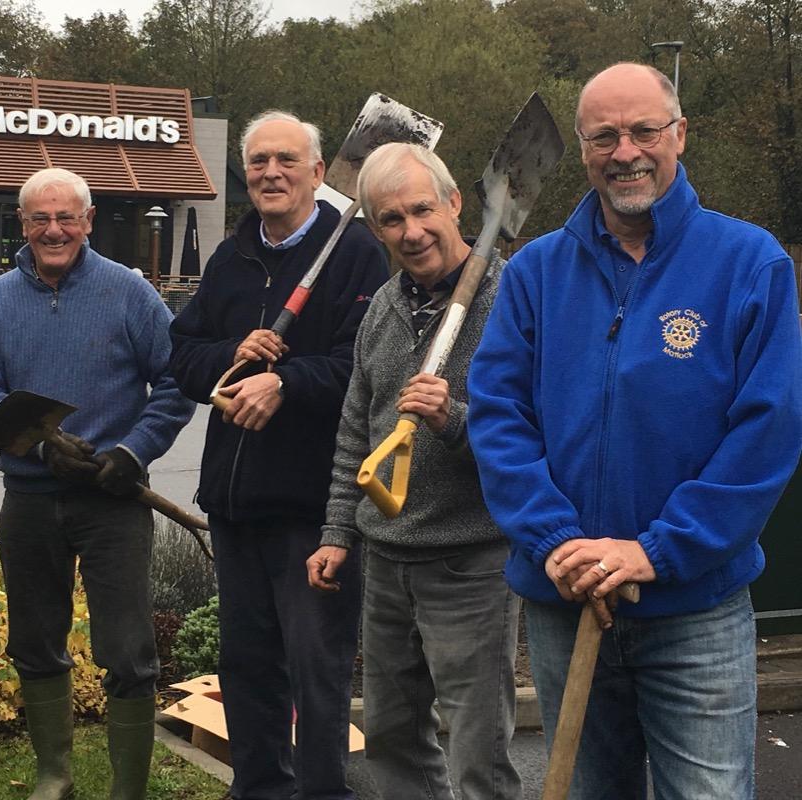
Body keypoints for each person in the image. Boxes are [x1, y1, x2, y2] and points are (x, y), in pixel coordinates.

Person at [467, 63, 802, 799]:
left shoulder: (750, 263)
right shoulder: (536, 274)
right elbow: (497, 416)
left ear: (679, 134)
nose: (626, 152)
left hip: (695, 612)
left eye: (644, 130)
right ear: (582, 148)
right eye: (604, 136)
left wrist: (655, 551)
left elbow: (766, 432)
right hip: (565, 602)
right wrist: (555, 541)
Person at [169, 111, 388, 800]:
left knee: (316, 670)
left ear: (319, 173)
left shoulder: (356, 253)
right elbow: (181, 351)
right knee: (247, 664)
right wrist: (230, 365)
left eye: (286, 160)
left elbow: (366, 366)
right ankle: (258, 789)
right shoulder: (232, 258)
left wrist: (285, 381)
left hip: (312, 509)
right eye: (259, 160)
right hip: (234, 502)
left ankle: (324, 792)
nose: (271, 172)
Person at [0, 167, 194, 800]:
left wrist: (133, 450)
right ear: (24, 224)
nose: (54, 229)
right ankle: (54, 775)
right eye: (40, 218)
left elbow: (175, 383)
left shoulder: (129, 293)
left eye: (67, 217)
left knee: (127, 649)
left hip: (113, 500)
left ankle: (127, 791)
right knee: (34, 640)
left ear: (88, 222)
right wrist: (40, 440)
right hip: (29, 500)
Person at [306, 142, 522, 800]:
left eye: (423, 209)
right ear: (376, 230)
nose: (412, 231)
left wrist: (454, 419)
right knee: (393, 740)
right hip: (387, 558)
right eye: (392, 219)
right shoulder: (384, 308)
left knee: (478, 749)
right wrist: (338, 531)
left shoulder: (510, 298)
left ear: (456, 203)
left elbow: (536, 431)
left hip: (471, 560)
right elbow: (355, 428)